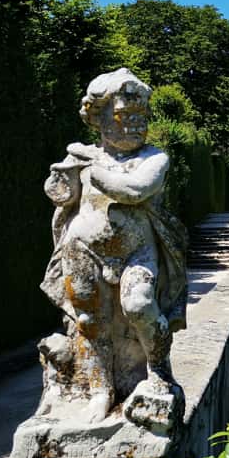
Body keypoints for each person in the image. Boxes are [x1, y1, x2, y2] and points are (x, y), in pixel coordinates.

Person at [40, 68, 187, 424]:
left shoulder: (154, 159)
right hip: (82, 251)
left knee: (139, 305)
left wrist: (91, 166)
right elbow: (62, 197)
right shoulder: (85, 158)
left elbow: (133, 191)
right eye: (123, 117)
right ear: (97, 117)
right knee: (89, 320)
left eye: (141, 117)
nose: (135, 125)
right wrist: (61, 175)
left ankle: (158, 372)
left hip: (137, 251)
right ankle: (100, 389)